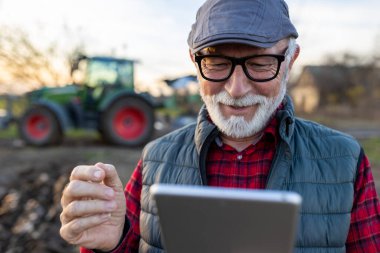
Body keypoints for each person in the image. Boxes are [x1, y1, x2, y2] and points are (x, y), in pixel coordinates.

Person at [60, 0, 380, 252]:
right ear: (194, 63)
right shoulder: (155, 157)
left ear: (291, 60)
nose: (236, 89)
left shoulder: (344, 160)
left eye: (259, 64)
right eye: (216, 63)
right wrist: (111, 243)